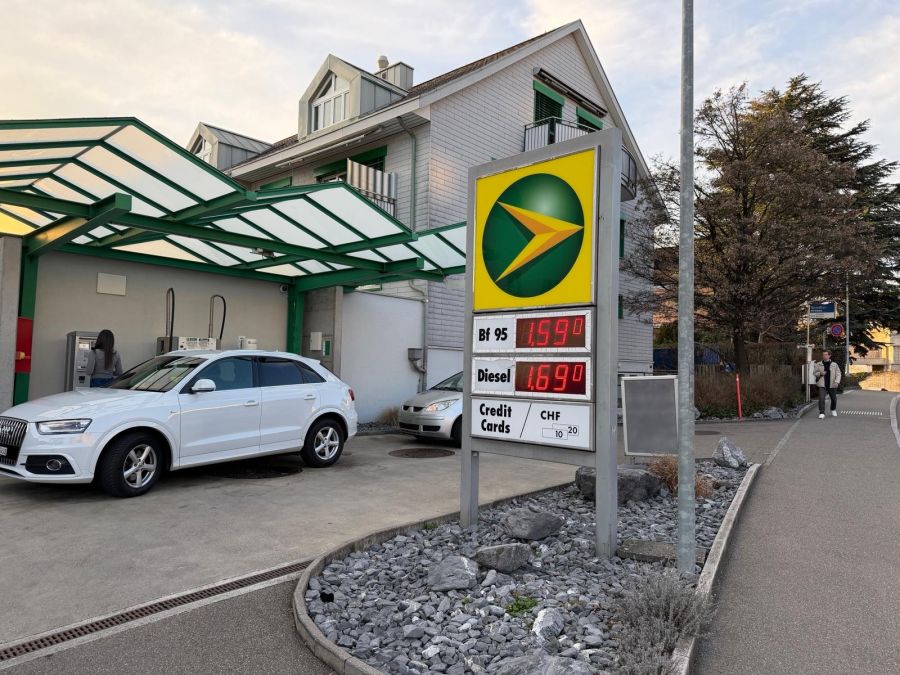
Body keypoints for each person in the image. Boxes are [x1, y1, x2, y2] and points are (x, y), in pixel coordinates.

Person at [813, 349, 841, 419]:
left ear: (829, 355)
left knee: (834, 399)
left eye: (826, 355)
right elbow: (814, 373)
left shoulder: (834, 364)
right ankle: (822, 412)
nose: (824, 356)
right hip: (822, 385)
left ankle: (833, 409)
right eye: (823, 355)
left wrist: (837, 382)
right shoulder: (818, 364)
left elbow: (838, 374)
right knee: (821, 398)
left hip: (832, 385)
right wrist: (821, 373)